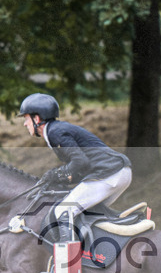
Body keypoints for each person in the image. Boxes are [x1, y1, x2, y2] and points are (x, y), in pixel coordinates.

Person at [18, 93, 132, 244]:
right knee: (86, 214)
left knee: (63, 212)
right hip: (119, 172)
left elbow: (80, 162)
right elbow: (82, 166)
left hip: (109, 174)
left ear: (36, 118)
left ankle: (69, 265)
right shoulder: (56, 130)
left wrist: (57, 174)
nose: (25, 124)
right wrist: (61, 176)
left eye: (26, 119)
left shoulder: (54, 132)